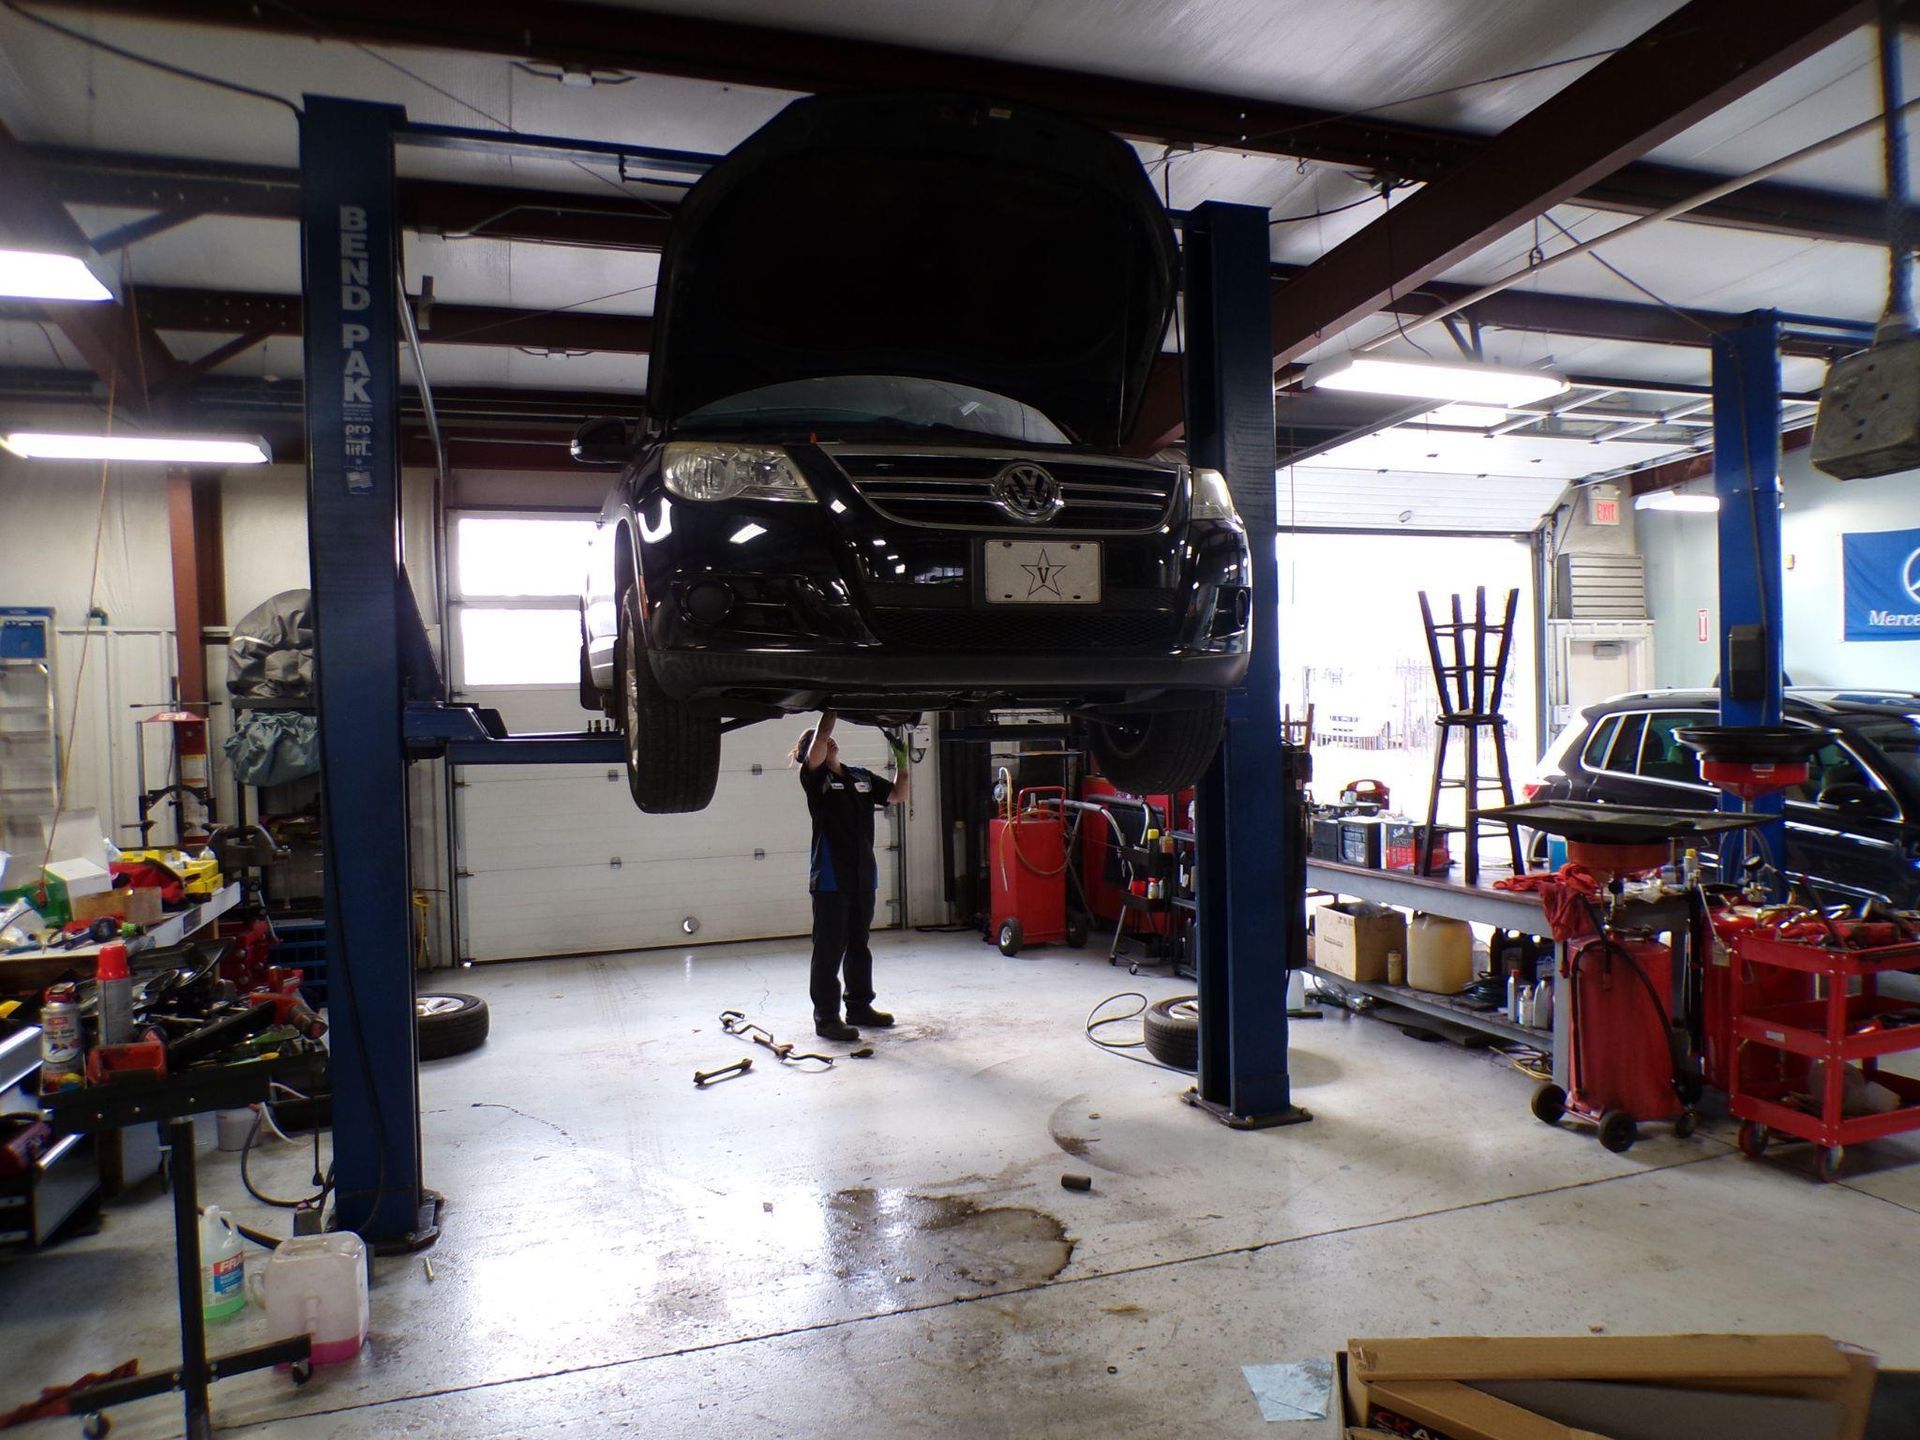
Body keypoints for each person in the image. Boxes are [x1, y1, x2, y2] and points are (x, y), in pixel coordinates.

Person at [794, 710, 910, 1041]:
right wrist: (832, 707)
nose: (826, 741)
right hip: (831, 877)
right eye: (815, 742)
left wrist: (903, 765)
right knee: (830, 946)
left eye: (826, 739)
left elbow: (898, 795)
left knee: (859, 943)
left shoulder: (860, 776)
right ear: (808, 754)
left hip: (863, 875)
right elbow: (819, 740)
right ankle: (827, 1018)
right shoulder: (815, 780)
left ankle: (859, 1006)